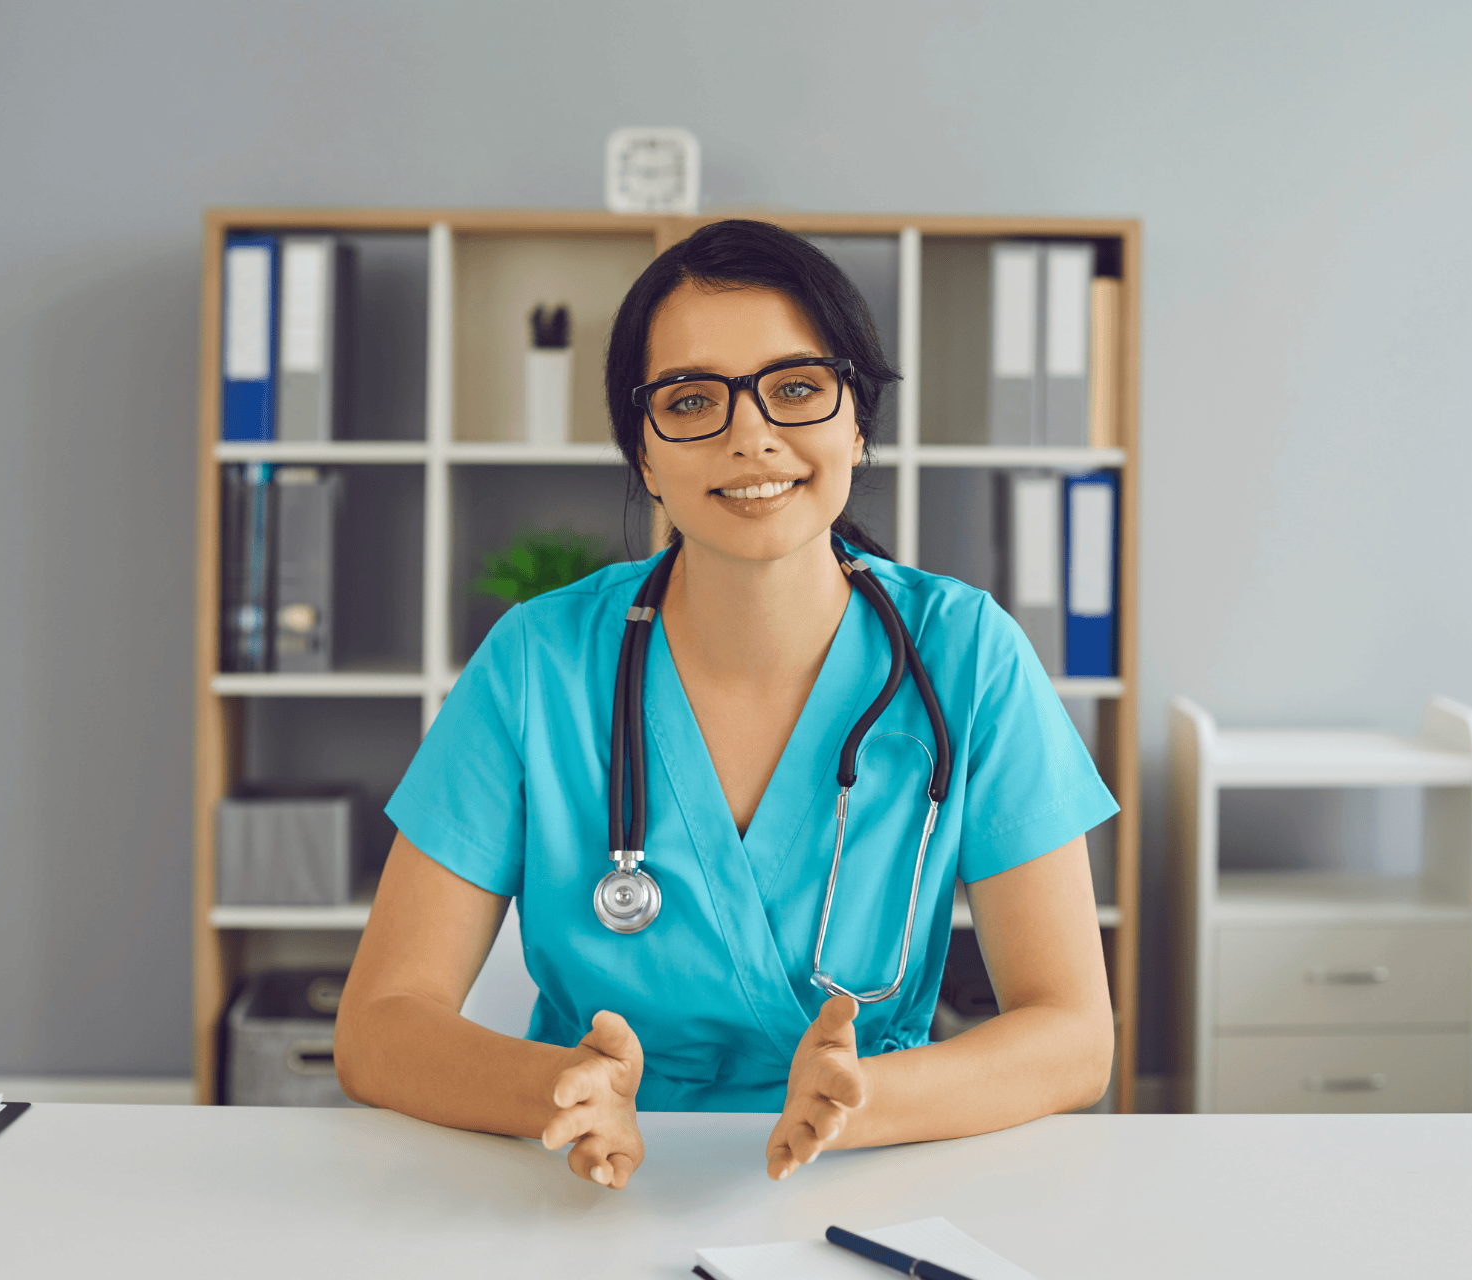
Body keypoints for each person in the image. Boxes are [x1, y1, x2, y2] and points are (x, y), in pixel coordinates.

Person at [333, 219, 1117, 1189]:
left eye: (796, 387)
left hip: (876, 1170)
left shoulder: (968, 653)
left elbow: (1075, 1035)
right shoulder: (538, 661)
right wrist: (558, 1087)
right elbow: (378, 1025)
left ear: (857, 422)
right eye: (693, 398)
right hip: (586, 1173)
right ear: (645, 453)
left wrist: (866, 1098)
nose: (751, 433)